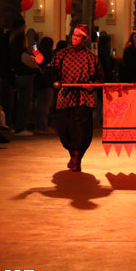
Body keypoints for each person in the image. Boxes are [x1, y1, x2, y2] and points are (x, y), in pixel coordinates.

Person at [48, 25, 103, 172]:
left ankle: (77, 158)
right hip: (65, 96)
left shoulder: (91, 58)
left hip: (84, 97)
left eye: (78, 36)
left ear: (84, 39)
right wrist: (41, 64)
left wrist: (93, 85)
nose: (74, 38)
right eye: (73, 35)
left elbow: (99, 78)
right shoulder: (61, 55)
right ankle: (73, 156)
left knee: (81, 129)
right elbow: (51, 73)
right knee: (64, 128)